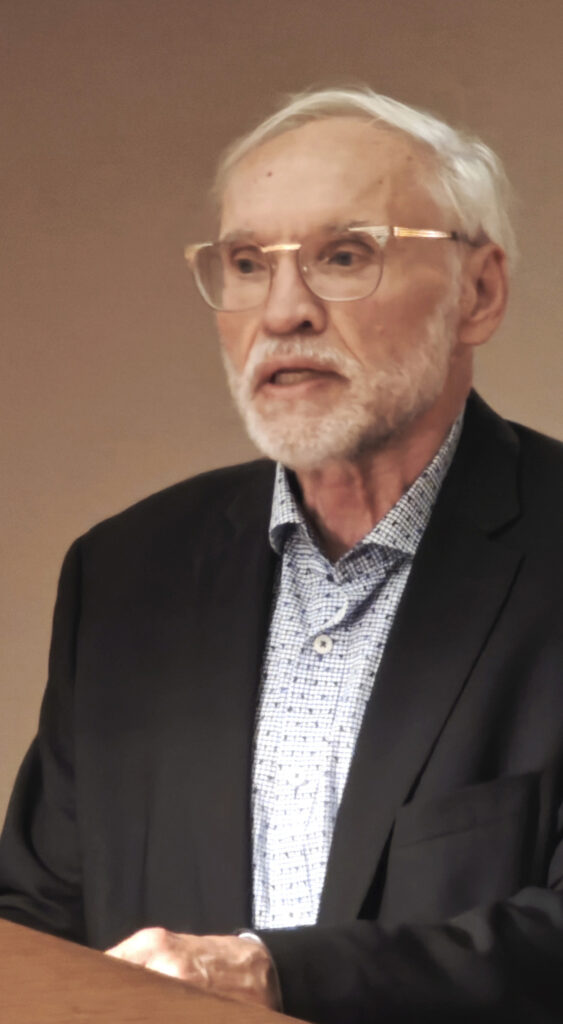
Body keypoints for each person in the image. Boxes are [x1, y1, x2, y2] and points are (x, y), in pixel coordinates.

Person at [1, 86, 562, 1023]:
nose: (283, 311)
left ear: (478, 293)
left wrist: (278, 975)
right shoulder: (124, 574)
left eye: (344, 256)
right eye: (247, 265)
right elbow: (36, 925)